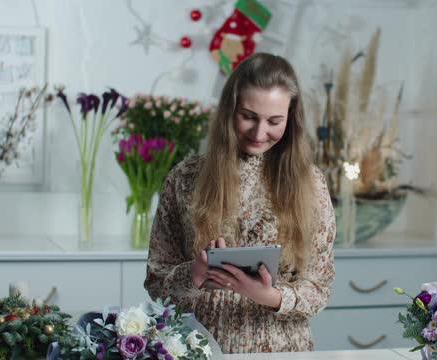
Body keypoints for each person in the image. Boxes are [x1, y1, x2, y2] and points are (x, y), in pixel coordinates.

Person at [144, 53, 335, 353]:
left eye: (274, 121)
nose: (259, 133)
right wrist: (193, 275)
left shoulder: (310, 184)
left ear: (291, 119)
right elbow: (157, 284)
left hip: (283, 351)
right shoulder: (184, 179)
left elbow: (319, 289)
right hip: (197, 349)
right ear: (229, 110)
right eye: (248, 116)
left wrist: (268, 296)